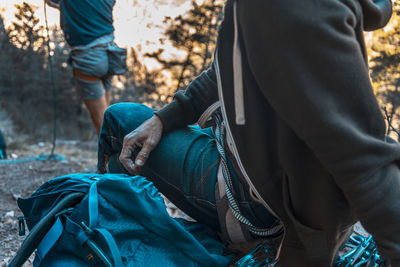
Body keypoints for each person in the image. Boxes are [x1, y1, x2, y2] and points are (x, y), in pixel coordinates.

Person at [98, 0, 400, 266]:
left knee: (118, 122)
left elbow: (362, 160)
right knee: (131, 139)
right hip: (245, 159)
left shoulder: (286, 6)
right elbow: (229, 68)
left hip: (247, 201)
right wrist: (164, 119)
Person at [46, 0, 127, 136]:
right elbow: (88, 9)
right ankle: (114, 155)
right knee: (107, 116)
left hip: (89, 58)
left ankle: (114, 156)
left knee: (102, 127)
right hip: (111, 54)